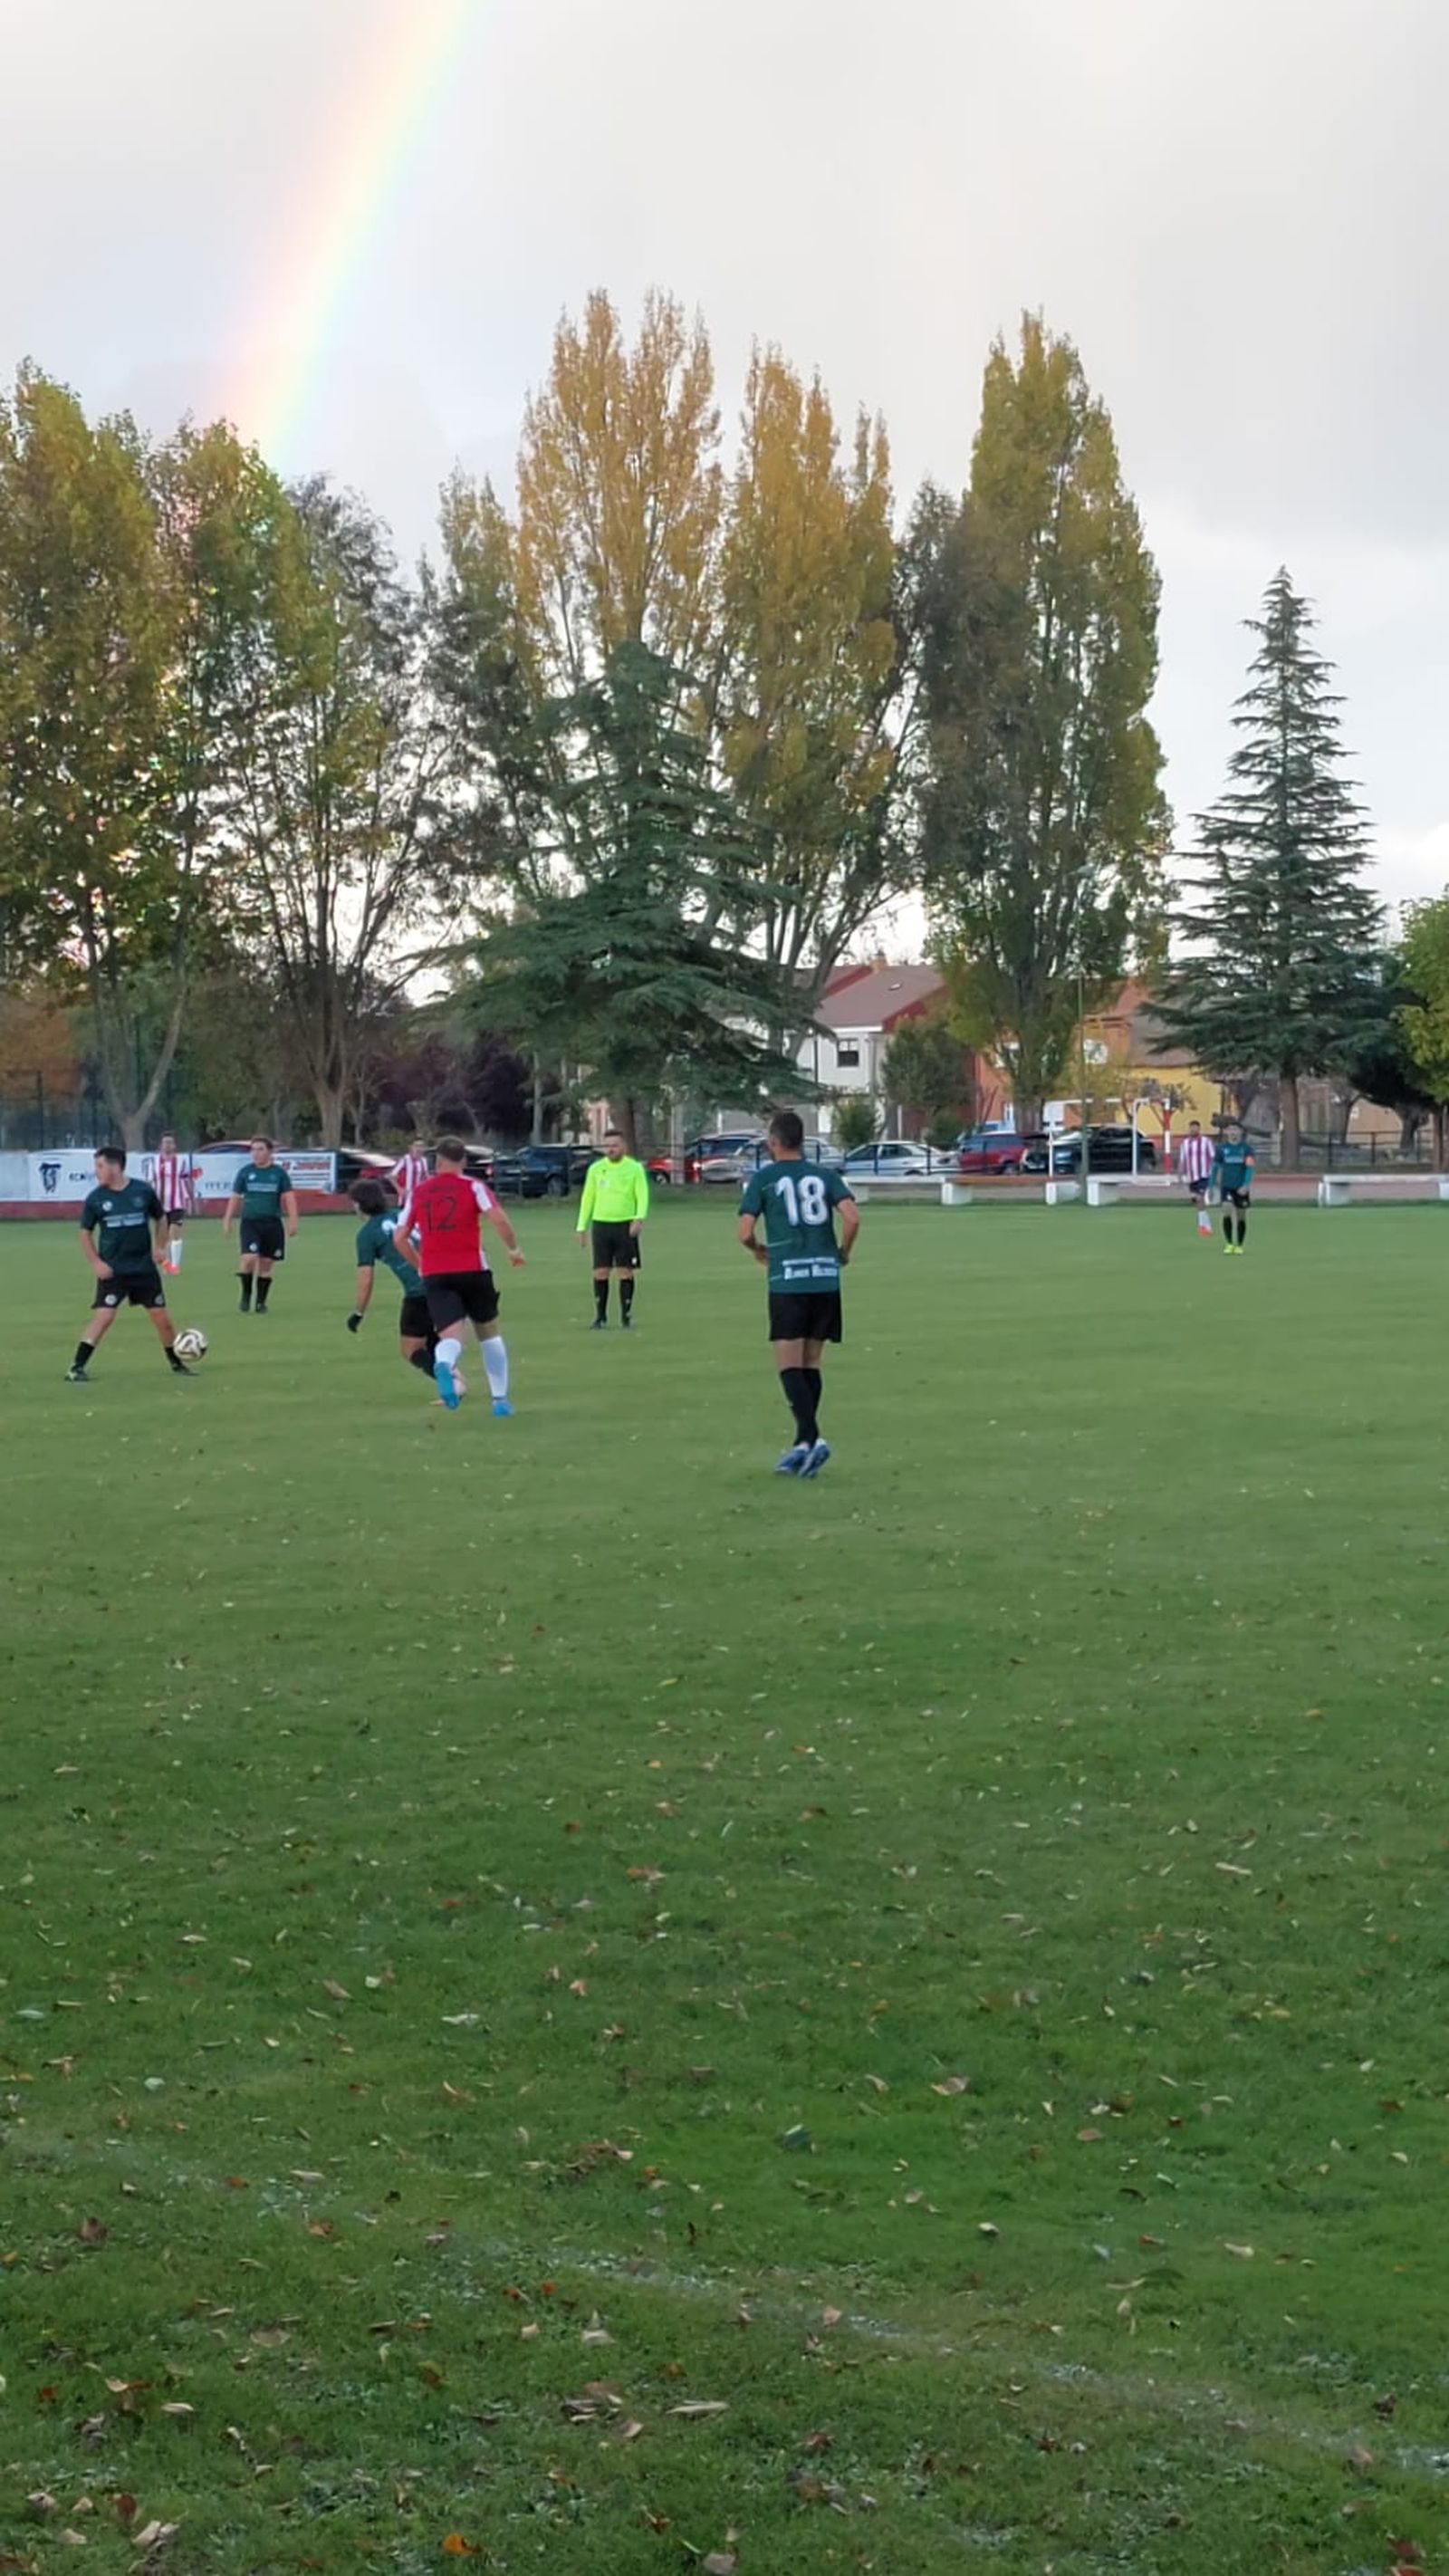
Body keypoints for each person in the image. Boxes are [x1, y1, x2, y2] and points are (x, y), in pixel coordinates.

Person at [737, 1110, 859, 1477]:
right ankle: (802, 1445)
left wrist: (757, 1247)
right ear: (801, 1141)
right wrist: (843, 1252)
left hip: (789, 1281)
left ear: (774, 1142)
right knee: (811, 1364)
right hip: (824, 1279)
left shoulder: (765, 1178)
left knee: (789, 1365)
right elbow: (852, 1217)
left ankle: (812, 1437)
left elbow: (743, 1231)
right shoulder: (824, 1176)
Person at [398, 1136, 525, 1415]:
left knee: (451, 1338)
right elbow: (499, 1218)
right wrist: (514, 1250)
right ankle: (500, 1401)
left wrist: (420, 1264)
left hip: (435, 1273)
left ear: (438, 1161)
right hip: (472, 1269)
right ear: (464, 1161)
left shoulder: (419, 1192)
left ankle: (444, 1365)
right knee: (489, 1333)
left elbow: (400, 1237)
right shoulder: (473, 1186)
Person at [67, 1147, 194, 1383]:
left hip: (143, 1268)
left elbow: (161, 1218)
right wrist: (96, 1263)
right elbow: (85, 1233)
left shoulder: (142, 1191)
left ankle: (177, 1363)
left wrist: (160, 1247)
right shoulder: (96, 1198)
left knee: (162, 1318)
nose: (97, 1172)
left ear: (115, 1167)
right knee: (104, 1317)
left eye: (100, 1166)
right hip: (113, 1270)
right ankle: (76, 1367)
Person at [347, 1177, 436, 1387]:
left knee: (410, 1349)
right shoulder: (403, 1216)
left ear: (359, 1204)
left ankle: (452, 1383)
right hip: (445, 1280)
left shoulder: (367, 1234)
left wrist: (358, 1313)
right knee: (433, 1341)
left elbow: (366, 1278)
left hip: (419, 1291)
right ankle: (453, 1383)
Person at [577, 1128, 650, 1327]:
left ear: (623, 1146)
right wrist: (581, 1226)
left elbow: (642, 1195)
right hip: (601, 1225)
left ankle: (626, 1315)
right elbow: (588, 1198)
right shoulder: (596, 1169)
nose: (611, 1150)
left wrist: (639, 1218)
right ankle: (600, 1317)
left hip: (625, 1225)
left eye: (615, 1145)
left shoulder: (634, 1168)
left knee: (625, 1271)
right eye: (608, 1146)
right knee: (601, 1271)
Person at [223, 1137, 298, 1312]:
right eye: (253, 1150)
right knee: (248, 1258)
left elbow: (289, 1197)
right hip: (250, 1222)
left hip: (272, 1223)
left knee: (266, 1264)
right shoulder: (245, 1172)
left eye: (260, 1149)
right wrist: (227, 1219)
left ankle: (261, 1302)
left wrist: (293, 1220)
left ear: (270, 1152)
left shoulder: (279, 1173)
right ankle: (246, 1294)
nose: (256, 1153)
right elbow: (235, 1197)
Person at [1213, 1117, 1256, 1254]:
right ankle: (1229, 1243)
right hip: (1227, 1186)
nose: (1233, 1132)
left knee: (1241, 1216)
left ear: (1241, 1132)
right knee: (1226, 1209)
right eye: (1230, 1130)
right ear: (1226, 1132)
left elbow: (1250, 1168)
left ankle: (1239, 1245)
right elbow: (1216, 1167)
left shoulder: (1246, 1149)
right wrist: (1212, 1183)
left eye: (1236, 1130)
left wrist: (1246, 1185)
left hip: (1241, 1187)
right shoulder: (1221, 1149)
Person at [153, 1132, 195, 1274]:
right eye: (166, 1142)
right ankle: (166, 1265)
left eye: (171, 1142)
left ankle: (175, 1265)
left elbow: (187, 1181)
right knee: (162, 1237)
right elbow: (150, 1183)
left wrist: (191, 1198)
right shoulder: (153, 1162)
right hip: (159, 1204)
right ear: (160, 1145)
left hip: (177, 1203)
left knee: (174, 1234)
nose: (168, 1145)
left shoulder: (181, 1162)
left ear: (175, 1145)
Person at [1177, 1120, 1214, 1234]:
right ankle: (1205, 1224)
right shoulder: (1185, 1143)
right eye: (1191, 1127)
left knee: (1199, 1198)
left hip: (1203, 1175)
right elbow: (1182, 1161)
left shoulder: (1206, 1141)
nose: (1193, 1129)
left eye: (1195, 1127)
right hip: (1191, 1176)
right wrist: (1180, 1177)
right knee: (1197, 1200)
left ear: (1199, 1129)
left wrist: (1213, 1173)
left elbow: (1213, 1157)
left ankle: (1203, 1226)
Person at [391, 1136, 431, 1207]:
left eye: (421, 1146)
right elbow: (392, 1176)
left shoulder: (424, 1161)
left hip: (418, 1198)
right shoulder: (405, 1160)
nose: (419, 1149)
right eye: (417, 1146)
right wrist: (399, 1189)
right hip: (406, 1199)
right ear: (412, 1147)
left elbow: (426, 1177)